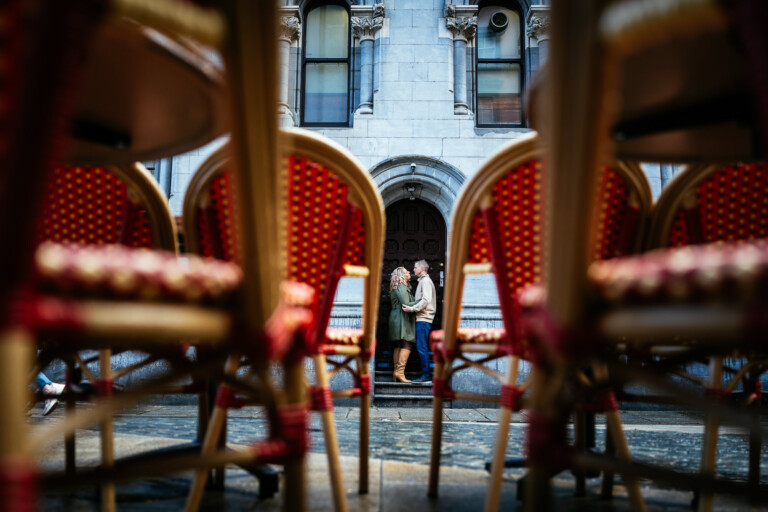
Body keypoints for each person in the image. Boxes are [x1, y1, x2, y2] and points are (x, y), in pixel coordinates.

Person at [402, 260, 437, 383]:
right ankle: (426, 374)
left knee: (422, 347)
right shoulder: (423, 280)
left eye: (415, 267)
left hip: (424, 318)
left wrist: (412, 309)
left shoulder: (425, 281)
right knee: (422, 347)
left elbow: (426, 300)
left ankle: (426, 375)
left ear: (422, 268)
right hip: (422, 318)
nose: (413, 270)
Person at [388, 267, 416, 383]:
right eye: (406, 272)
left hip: (396, 316)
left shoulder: (397, 287)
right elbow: (406, 303)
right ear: (401, 275)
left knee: (399, 344)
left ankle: (396, 372)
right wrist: (423, 301)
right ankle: (399, 372)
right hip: (402, 317)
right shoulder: (402, 287)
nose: (409, 273)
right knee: (407, 343)